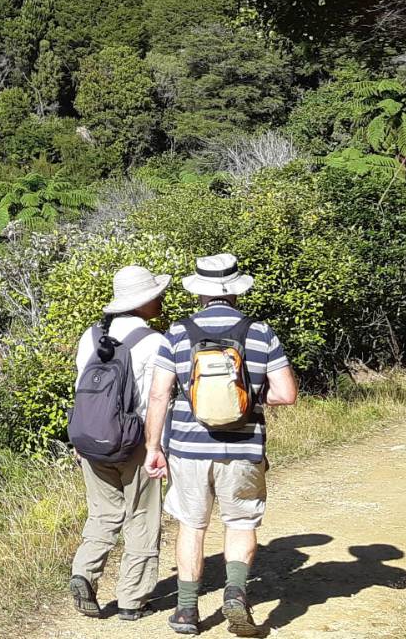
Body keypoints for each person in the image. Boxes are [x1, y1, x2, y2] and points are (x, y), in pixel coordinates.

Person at [142, 253, 299, 636]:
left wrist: (153, 448)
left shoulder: (177, 334)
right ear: (235, 292)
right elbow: (287, 394)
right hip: (243, 448)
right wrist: (250, 398)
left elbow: (159, 395)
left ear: (200, 293)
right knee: (240, 521)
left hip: (188, 449)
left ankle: (185, 612)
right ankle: (235, 590)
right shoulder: (261, 333)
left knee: (193, 526)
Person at [68, 265, 173, 620]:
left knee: (103, 513)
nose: (160, 299)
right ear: (142, 302)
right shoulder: (156, 341)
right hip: (137, 440)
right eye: (156, 295)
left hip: (91, 439)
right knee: (142, 514)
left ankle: (84, 572)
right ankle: (133, 599)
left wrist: (81, 438)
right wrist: (158, 447)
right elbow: (156, 399)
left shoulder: (91, 335)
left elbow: (83, 390)